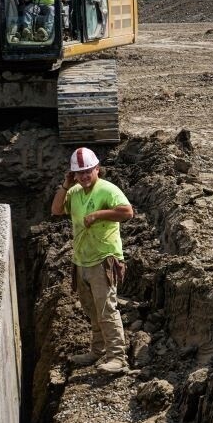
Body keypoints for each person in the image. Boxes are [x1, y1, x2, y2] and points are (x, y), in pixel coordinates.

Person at [50, 147, 134, 374]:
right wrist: (66, 185)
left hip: (103, 258)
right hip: (82, 259)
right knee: (91, 309)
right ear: (73, 174)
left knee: (107, 308)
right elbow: (56, 209)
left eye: (89, 171)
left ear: (97, 169)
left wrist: (98, 215)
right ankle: (97, 351)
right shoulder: (75, 192)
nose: (85, 176)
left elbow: (127, 212)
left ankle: (117, 357)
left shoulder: (107, 190)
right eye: (80, 173)